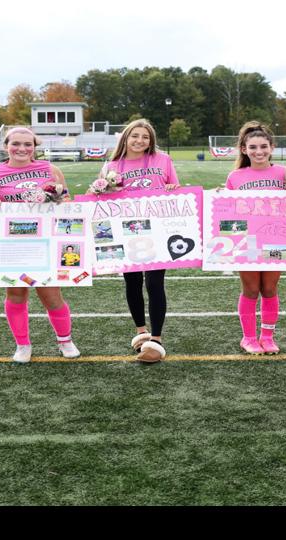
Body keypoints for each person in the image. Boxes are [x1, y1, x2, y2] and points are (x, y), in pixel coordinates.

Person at [0, 127, 79, 363]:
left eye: (28, 144)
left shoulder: (51, 170)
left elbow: (67, 202)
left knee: (51, 295)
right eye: (16, 144)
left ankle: (65, 340)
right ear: (6, 146)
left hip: (44, 243)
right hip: (11, 246)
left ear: (34, 147)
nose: (22, 149)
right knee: (16, 293)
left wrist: (58, 201)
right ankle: (23, 345)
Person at [93, 118, 180, 362]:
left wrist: (173, 189)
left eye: (145, 137)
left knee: (154, 283)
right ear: (126, 138)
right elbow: (101, 200)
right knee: (132, 282)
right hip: (126, 231)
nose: (140, 141)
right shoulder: (112, 165)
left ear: (150, 141)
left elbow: (175, 187)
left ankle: (156, 340)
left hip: (157, 230)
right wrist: (96, 192)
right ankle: (141, 332)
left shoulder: (163, 160)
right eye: (135, 136)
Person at [225, 121, 286, 354]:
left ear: (272, 147)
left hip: (277, 241)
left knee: (270, 289)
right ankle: (248, 338)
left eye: (263, 147)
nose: (259, 152)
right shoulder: (235, 176)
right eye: (253, 147)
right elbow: (228, 212)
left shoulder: (284, 173)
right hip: (247, 242)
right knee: (251, 290)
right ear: (244, 149)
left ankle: (268, 337)